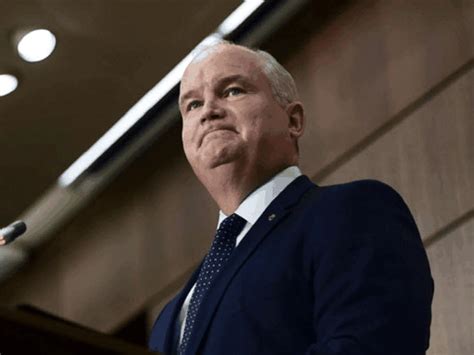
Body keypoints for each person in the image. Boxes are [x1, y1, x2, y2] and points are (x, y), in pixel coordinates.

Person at [148, 41, 434, 355]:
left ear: (293, 121)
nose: (209, 112)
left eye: (232, 91)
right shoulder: (168, 319)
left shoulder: (352, 213)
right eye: (192, 105)